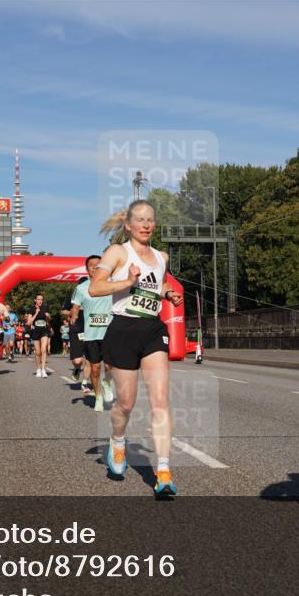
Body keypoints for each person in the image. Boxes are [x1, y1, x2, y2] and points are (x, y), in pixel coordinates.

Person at [89, 201, 183, 497]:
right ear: (128, 225)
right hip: (122, 329)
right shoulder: (118, 252)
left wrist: (170, 295)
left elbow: (161, 286)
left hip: (153, 330)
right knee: (125, 404)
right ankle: (118, 443)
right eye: (140, 220)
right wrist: (126, 281)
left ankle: (164, 473)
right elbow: (95, 287)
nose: (146, 225)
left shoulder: (161, 256)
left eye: (151, 220)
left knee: (160, 401)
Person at [73, 254, 115, 412]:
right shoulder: (81, 288)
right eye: (92, 265)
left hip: (110, 332)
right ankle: (98, 396)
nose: (96, 267)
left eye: (99, 265)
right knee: (95, 368)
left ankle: (107, 383)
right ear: (87, 269)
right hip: (91, 335)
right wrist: (75, 314)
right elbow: (76, 305)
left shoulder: (111, 284)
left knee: (112, 366)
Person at [27, 294, 51, 377]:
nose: (40, 301)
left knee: (44, 350)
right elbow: (29, 322)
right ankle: (38, 369)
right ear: (35, 300)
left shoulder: (45, 308)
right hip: (35, 331)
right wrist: (36, 313)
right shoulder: (32, 309)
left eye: (41, 299)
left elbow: (48, 320)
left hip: (44, 330)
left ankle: (43, 369)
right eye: (38, 299)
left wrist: (48, 316)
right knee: (38, 352)